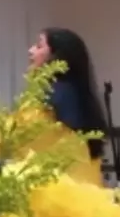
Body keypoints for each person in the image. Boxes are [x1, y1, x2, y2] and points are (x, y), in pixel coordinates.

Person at [27, 27, 107, 184]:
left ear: (56, 56)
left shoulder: (59, 93)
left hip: (59, 184)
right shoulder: (68, 91)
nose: (31, 50)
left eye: (39, 46)